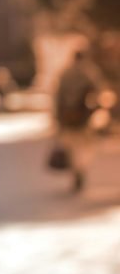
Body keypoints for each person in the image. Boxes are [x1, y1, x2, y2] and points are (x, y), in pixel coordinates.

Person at [54, 50, 98, 192]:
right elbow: (97, 92)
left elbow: (58, 97)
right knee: (82, 146)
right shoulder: (89, 73)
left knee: (71, 146)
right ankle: (80, 169)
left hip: (67, 118)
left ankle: (76, 170)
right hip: (82, 117)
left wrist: (57, 117)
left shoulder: (65, 74)